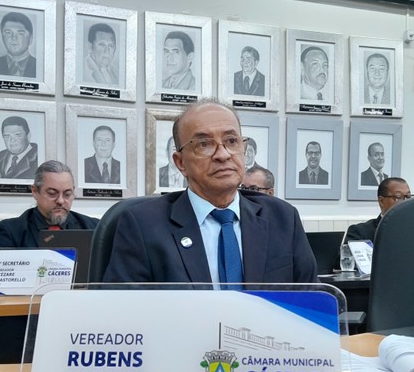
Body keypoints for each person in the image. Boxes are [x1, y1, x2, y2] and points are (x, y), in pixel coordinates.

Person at [103, 99, 317, 285]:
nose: (223, 155)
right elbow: (124, 312)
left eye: (231, 141)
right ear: (180, 162)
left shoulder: (283, 218)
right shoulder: (143, 226)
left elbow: (313, 304)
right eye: (204, 144)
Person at [0, 160, 98, 252]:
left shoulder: (94, 227)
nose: (60, 201)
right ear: (35, 191)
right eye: (52, 193)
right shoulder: (11, 231)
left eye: (67, 194)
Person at [345, 177, 411, 244]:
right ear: (381, 201)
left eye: (408, 196)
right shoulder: (360, 232)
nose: (405, 202)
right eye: (398, 197)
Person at [0, 11, 36, 78]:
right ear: (2, 36)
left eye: (20, 33)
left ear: (30, 39)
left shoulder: (40, 67)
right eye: (8, 32)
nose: (14, 38)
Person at [0, 115, 38, 180]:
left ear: (28, 136)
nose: (12, 140)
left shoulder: (39, 158)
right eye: (7, 136)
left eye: (17, 135)